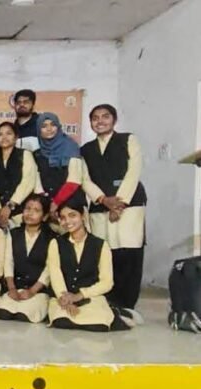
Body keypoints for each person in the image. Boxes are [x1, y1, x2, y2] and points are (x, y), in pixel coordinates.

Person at [80, 104, 147, 310]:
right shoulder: (86, 149)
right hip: (100, 207)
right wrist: (103, 200)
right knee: (105, 254)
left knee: (129, 253)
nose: (100, 121)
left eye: (105, 116)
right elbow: (85, 179)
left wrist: (120, 203)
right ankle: (108, 302)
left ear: (114, 120)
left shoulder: (128, 140)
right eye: (95, 118)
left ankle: (127, 305)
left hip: (129, 206)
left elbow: (134, 171)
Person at [47, 198, 137, 331]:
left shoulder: (101, 245)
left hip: (90, 297)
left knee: (99, 325)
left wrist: (80, 295)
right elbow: (55, 275)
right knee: (62, 321)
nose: (68, 221)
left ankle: (115, 312)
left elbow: (107, 282)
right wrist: (65, 298)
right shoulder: (55, 243)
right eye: (63, 218)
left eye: (72, 215)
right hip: (63, 297)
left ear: (83, 215)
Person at [0, 194, 55, 323]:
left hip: (38, 291)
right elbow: (8, 262)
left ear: (44, 216)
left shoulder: (52, 238)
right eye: (27, 209)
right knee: (3, 314)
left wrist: (32, 291)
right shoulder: (14, 234)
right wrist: (11, 288)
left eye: (36, 210)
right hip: (16, 286)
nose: (30, 213)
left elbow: (49, 270)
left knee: (23, 316)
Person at [0, 122, 38, 228]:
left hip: (21, 209)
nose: (4, 137)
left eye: (8, 133)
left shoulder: (25, 155)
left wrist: (10, 205)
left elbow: (28, 182)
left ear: (16, 137)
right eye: (0, 134)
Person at [34, 113, 86, 217]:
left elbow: (74, 181)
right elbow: (37, 185)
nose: (49, 129)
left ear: (58, 126)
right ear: (39, 130)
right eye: (44, 126)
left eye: (53, 125)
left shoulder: (71, 147)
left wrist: (56, 203)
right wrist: (46, 205)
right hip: (48, 208)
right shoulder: (37, 154)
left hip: (72, 205)